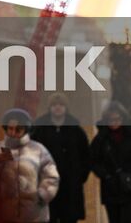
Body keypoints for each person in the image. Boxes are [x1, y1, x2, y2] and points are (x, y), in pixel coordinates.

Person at [0, 107, 60, 222]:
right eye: (10, 129)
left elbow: (52, 176)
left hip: (35, 215)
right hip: (6, 214)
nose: (13, 133)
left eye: (18, 130)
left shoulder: (38, 150)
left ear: (26, 129)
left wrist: (42, 195)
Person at [31, 93, 91, 223]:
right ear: (50, 107)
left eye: (61, 105)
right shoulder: (39, 129)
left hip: (70, 185)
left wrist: (80, 176)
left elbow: (86, 156)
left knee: (69, 218)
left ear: (66, 108)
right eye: (54, 105)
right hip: (46, 183)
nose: (58, 108)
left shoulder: (76, 130)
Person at [89, 102, 131, 223]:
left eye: (117, 118)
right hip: (111, 187)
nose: (114, 122)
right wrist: (106, 175)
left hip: (130, 185)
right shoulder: (101, 138)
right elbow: (93, 160)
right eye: (111, 119)